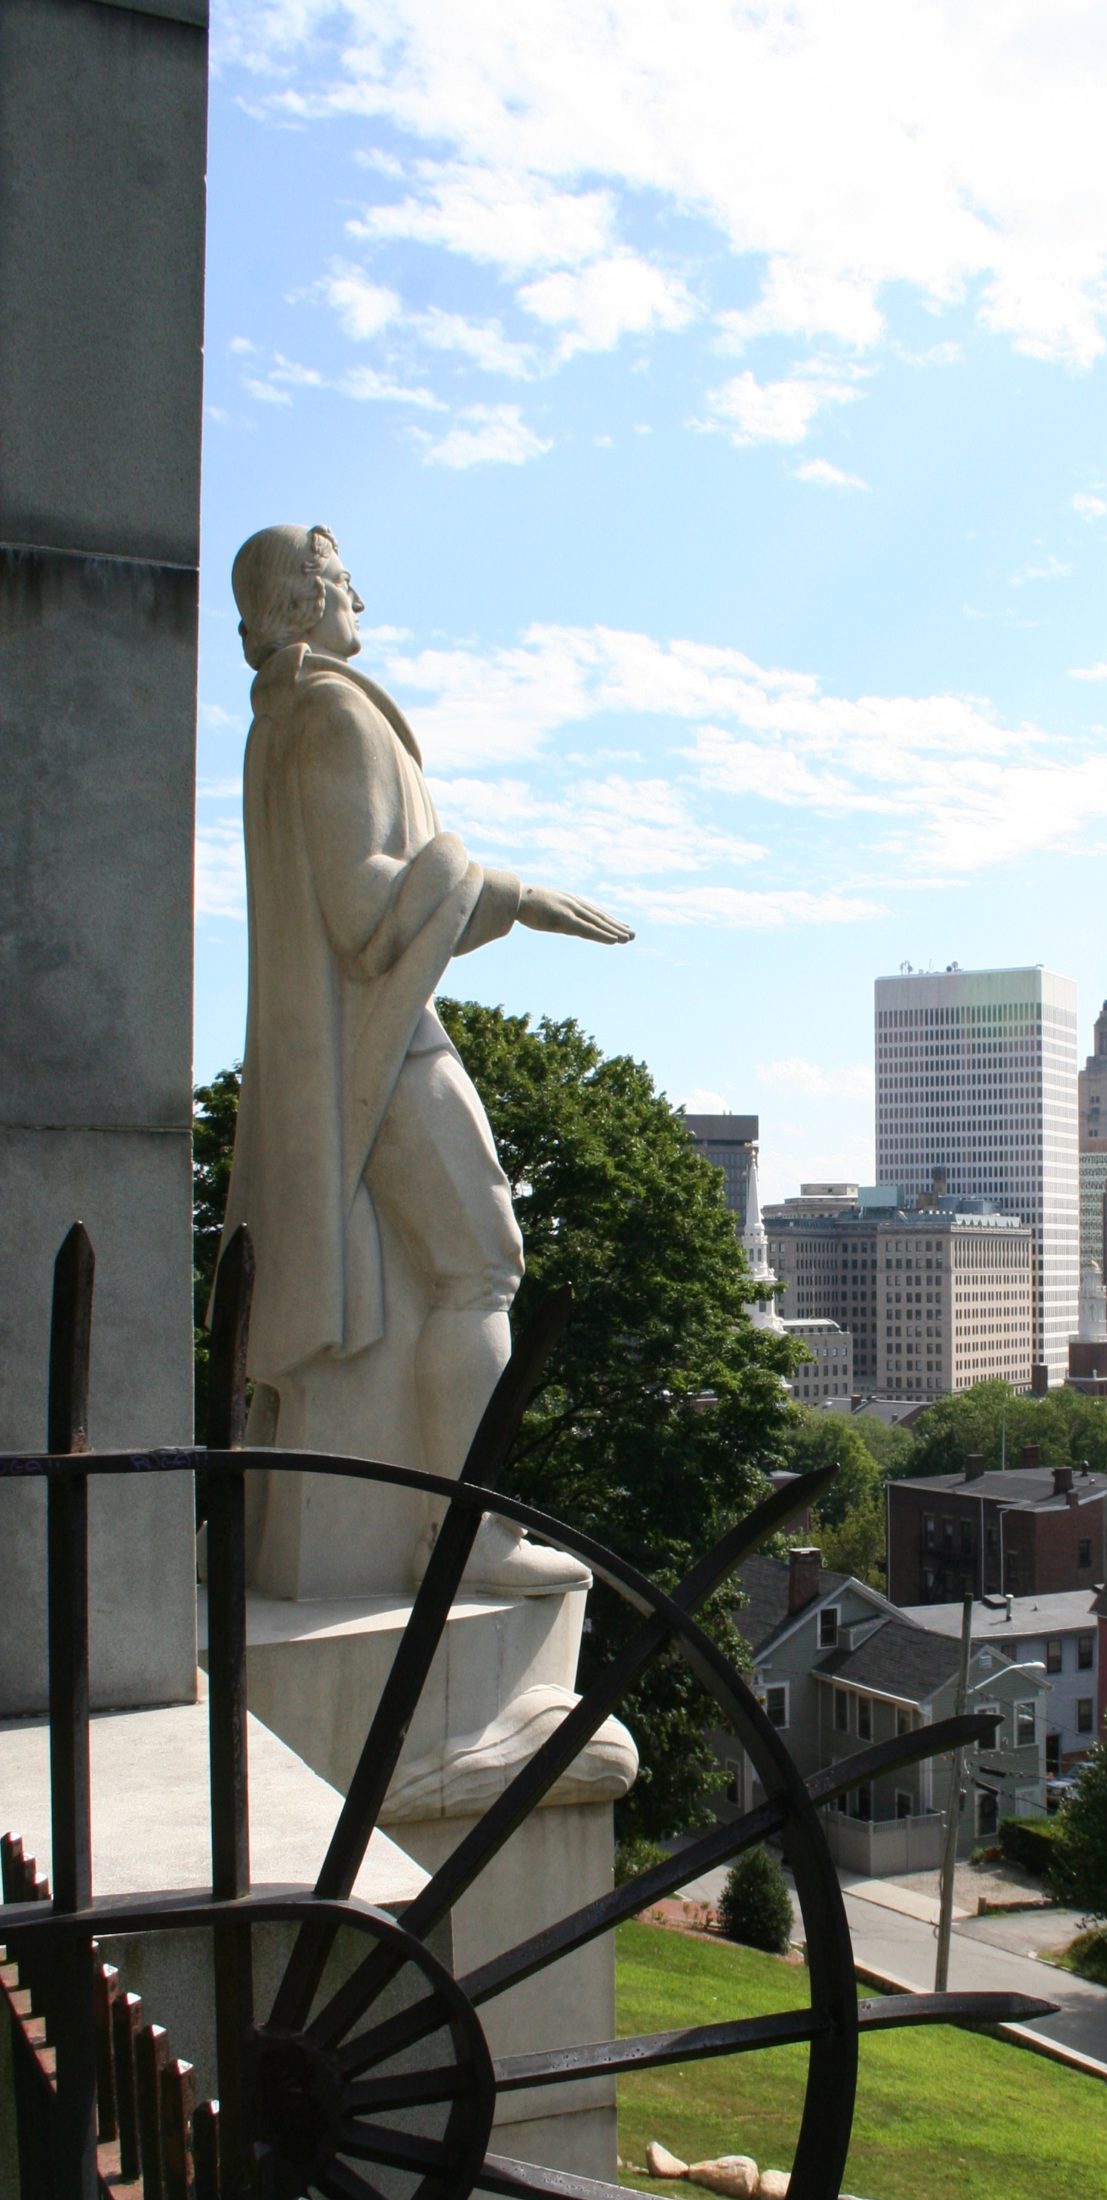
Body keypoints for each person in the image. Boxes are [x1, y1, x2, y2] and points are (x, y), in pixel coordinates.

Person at [224, 522, 631, 1590]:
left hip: (343, 1049)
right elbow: (367, 911)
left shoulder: (281, 726)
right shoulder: (331, 715)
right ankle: (464, 1539)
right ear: (305, 600)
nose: (365, 599)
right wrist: (500, 886)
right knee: (481, 1264)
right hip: (385, 1044)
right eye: (347, 581)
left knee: (467, 1267)